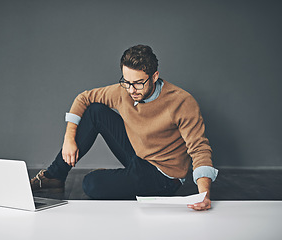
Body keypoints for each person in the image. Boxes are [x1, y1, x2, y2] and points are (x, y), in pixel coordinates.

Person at [31, 44, 218, 211]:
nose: (131, 90)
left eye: (138, 83)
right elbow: (83, 98)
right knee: (95, 110)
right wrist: (68, 138)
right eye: (127, 82)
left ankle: (121, 179)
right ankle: (53, 176)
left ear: (154, 76)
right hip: (138, 154)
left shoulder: (181, 101)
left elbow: (199, 149)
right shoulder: (125, 91)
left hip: (162, 175)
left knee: (90, 184)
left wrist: (204, 195)